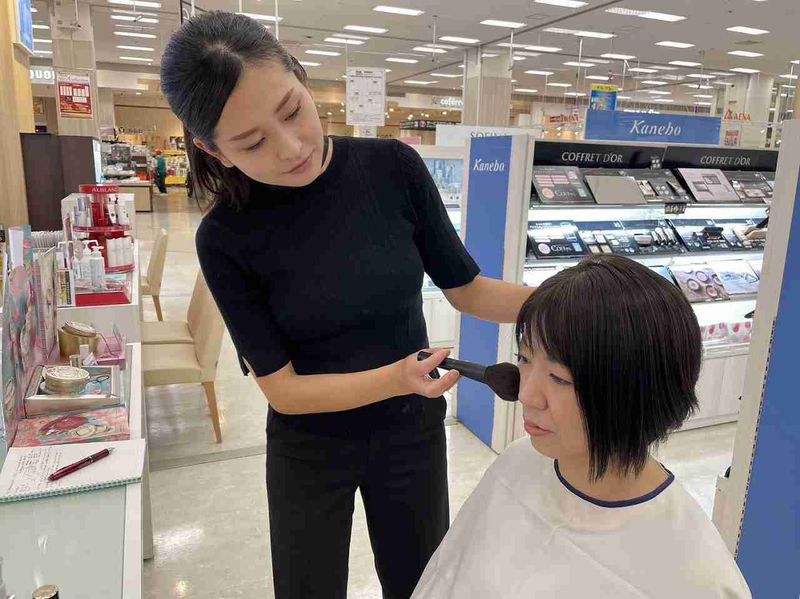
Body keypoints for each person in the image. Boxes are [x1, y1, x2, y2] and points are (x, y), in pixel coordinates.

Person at [159, 12, 534, 599]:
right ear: (214, 150)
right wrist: (396, 378)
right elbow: (285, 391)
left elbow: (468, 290)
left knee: (421, 584)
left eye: (292, 111)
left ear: (301, 77)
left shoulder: (393, 168)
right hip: (309, 446)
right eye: (252, 142)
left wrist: (572, 298)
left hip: (410, 434)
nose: (291, 147)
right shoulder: (226, 237)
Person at [412, 255, 752, 599]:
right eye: (524, 359)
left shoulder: (698, 579)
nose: (527, 394)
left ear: (636, 393)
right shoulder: (519, 461)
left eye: (559, 378)